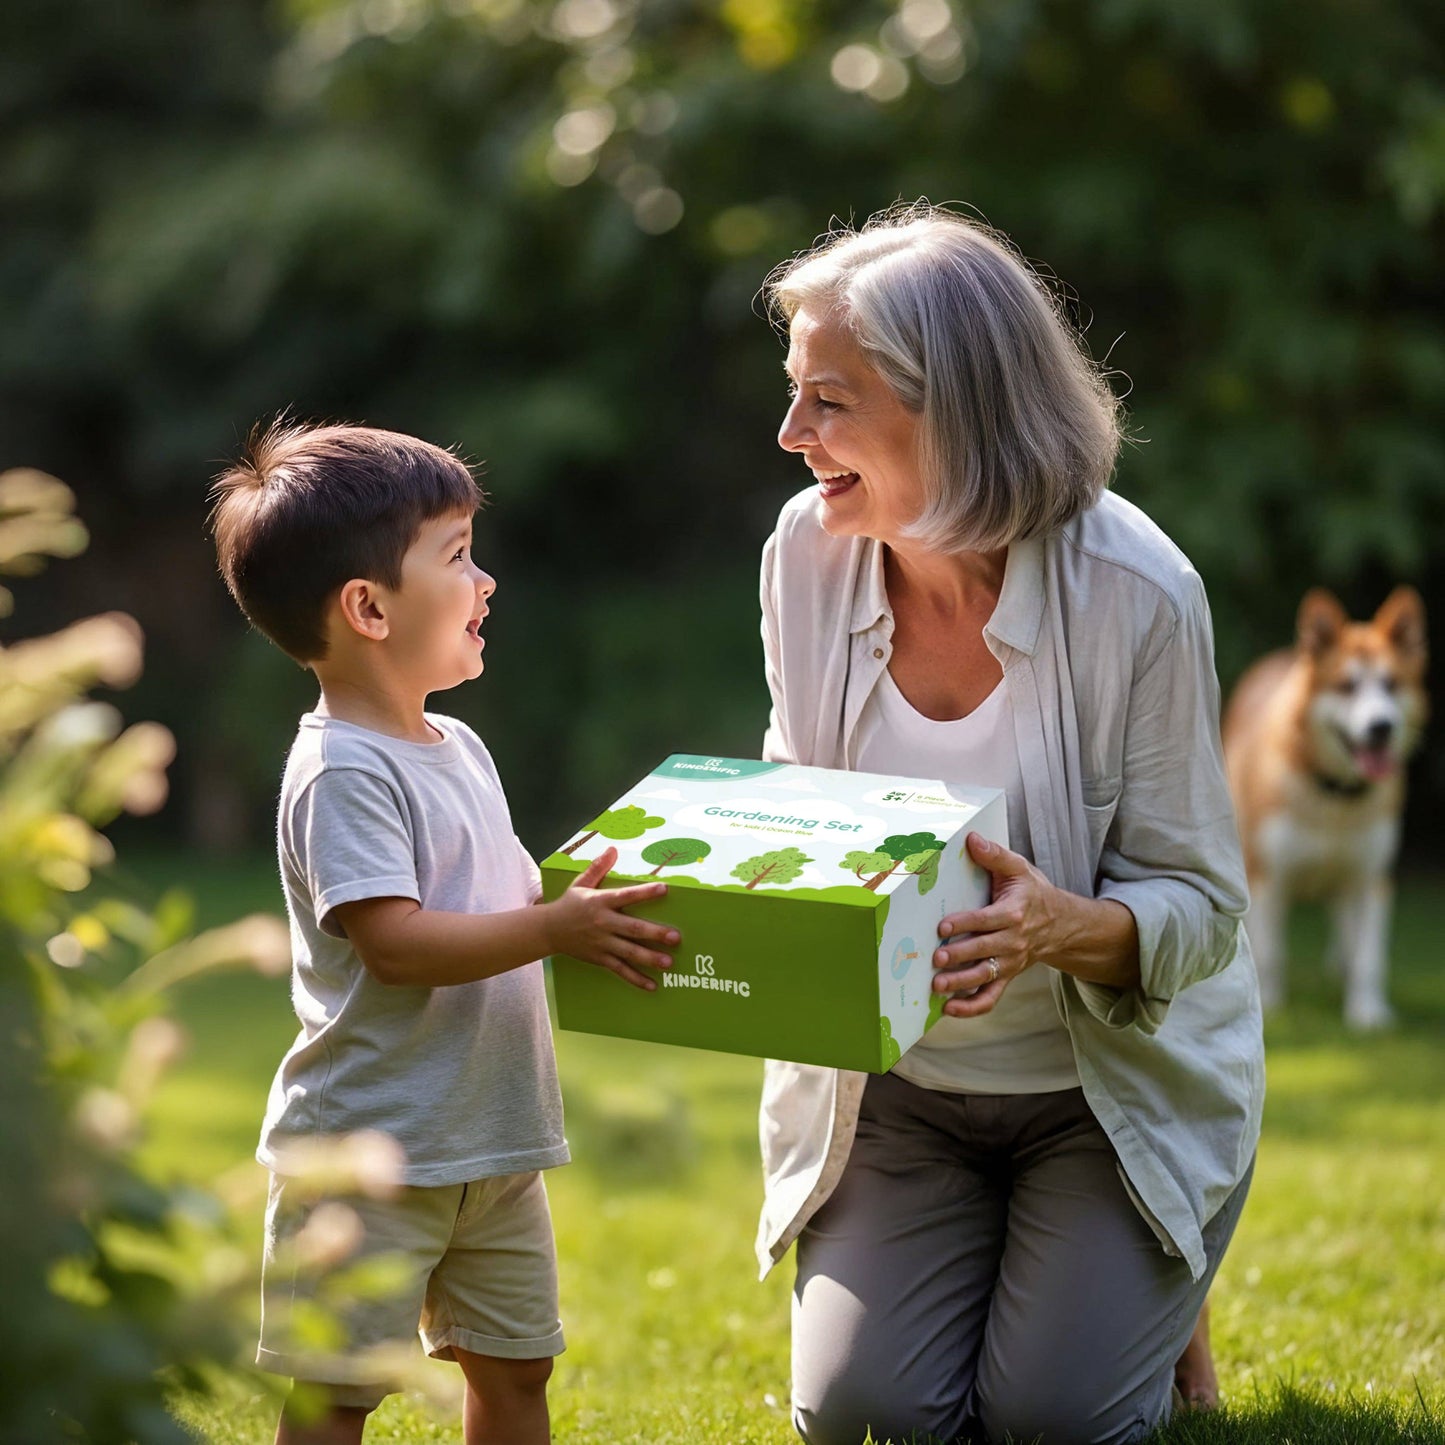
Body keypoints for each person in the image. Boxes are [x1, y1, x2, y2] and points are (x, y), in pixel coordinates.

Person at [753, 206, 1263, 1445]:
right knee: (867, 1417)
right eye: (791, 393)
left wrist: (1058, 927)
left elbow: (1201, 910)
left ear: (956, 407)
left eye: (829, 399)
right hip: (903, 1094)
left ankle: (1148, 1240)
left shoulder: (1135, 590)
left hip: (1099, 1091)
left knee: (1047, 1420)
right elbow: (790, 802)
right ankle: (1107, 1279)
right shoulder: (804, 557)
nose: (789, 435)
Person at [210, 421, 680, 1445]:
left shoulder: (455, 742)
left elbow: (497, 893)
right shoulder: (344, 771)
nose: (487, 580)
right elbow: (400, 944)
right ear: (369, 607)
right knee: (336, 1388)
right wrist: (555, 928)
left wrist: (583, 896)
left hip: (493, 1138)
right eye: (458, 555)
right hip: (371, 1151)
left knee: (518, 1368)